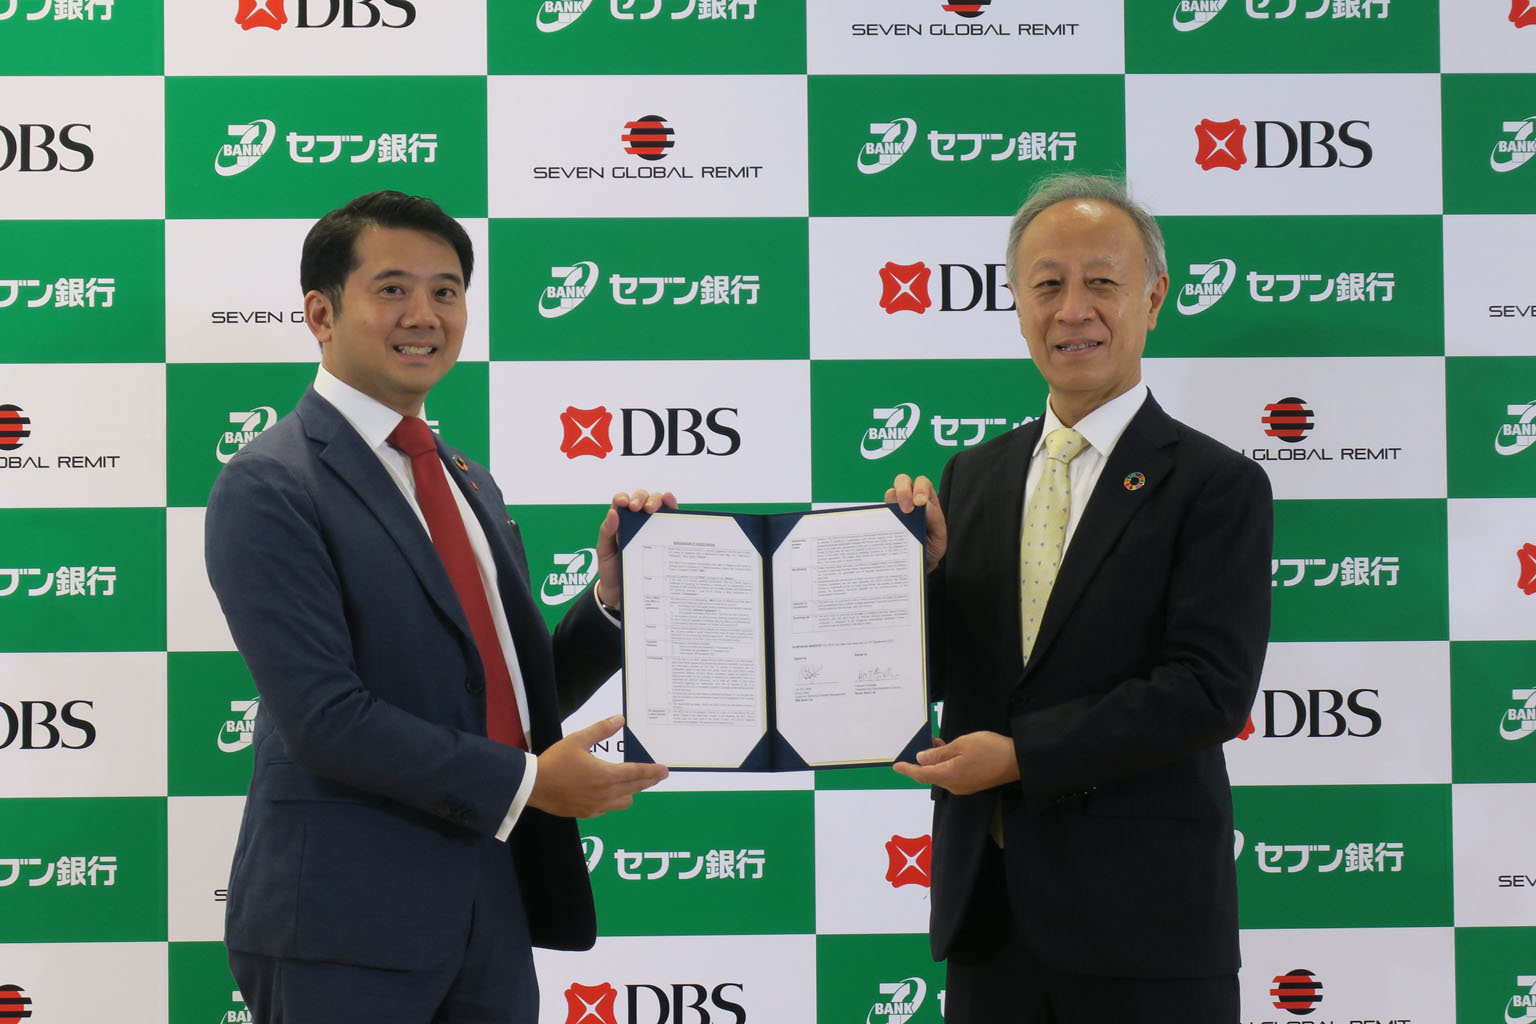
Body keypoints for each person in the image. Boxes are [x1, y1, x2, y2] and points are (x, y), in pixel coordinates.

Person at [204, 190, 672, 1023]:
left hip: (491, 907)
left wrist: (612, 597)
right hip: (343, 921)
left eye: (447, 290)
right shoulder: (269, 483)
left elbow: (504, 695)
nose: (424, 314)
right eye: (392, 288)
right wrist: (531, 783)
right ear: (321, 311)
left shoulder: (467, 481)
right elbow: (326, 718)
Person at [887, 174, 1272, 1023]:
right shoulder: (972, 475)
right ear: (1018, 305)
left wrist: (1023, 755)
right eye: (1047, 285)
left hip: (1147, 929)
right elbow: (958, 669)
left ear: (1154, 297)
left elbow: (1207, 689)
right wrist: (908, 579)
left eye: (1102, 281)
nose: (1074, 310)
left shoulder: (1217, 484)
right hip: (989, 918)